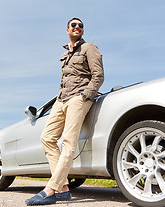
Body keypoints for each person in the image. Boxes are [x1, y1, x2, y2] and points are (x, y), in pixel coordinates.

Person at [25, 18, 104, 206]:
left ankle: (51, 190)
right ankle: (63, 188)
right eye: (74, 25)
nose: (78, 27)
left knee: (69, 141)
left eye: (81, 26)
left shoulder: (89, 48)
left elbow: (98, 75)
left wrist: (86, 95)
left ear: (83, 31)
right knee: (47, 138)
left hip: (79, 97)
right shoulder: (65, 54)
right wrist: (58, 100)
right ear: (67, 29)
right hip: (61, 99)